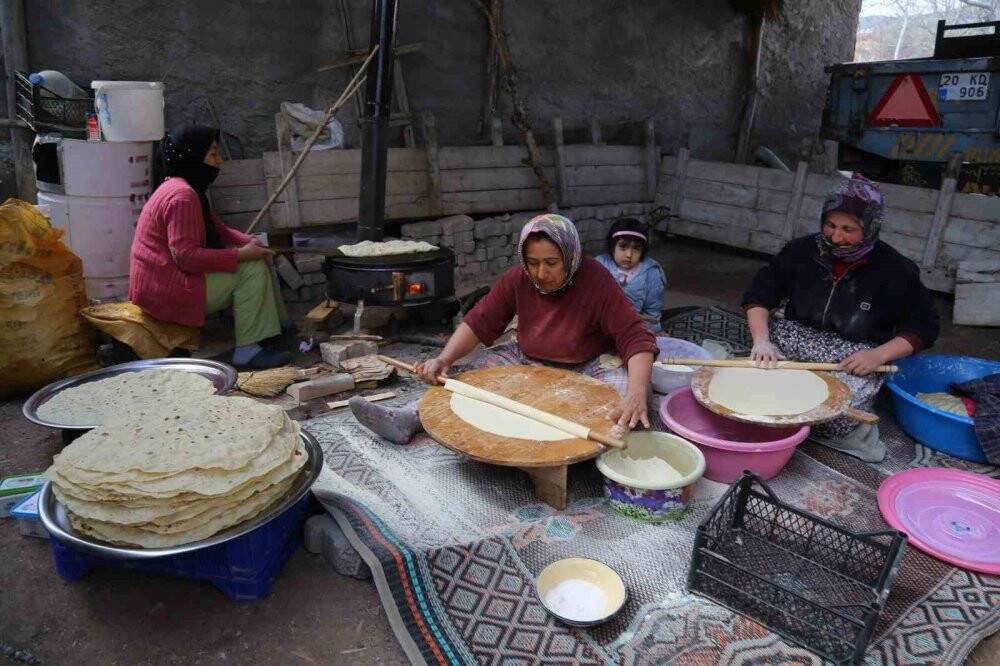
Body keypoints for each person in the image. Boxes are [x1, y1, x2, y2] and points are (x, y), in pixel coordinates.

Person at [350, 213, 659, 444]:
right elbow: (479, 321)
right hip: (526, 357)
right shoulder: (518, 278)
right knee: (462, 380)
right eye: (532, 262)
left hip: (587, 363)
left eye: (552, 262)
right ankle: (407, 418)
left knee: (621, 393)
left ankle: (600, 444)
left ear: (572, 255)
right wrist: (444, 360)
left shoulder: (597, 280)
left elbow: (635, 337)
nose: (540, 272)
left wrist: (637, 392)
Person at [742, 172, 939, 462]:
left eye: (849, 229)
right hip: (795, 339)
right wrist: (761, 341)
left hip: (852, 357)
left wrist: (878, 356)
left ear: (870, 227)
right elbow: (759, 296)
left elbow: (925, 326)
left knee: (835, 413)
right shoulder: (800, 251)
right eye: (830, 225)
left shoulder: (896, 270)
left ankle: (821, 432)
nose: (836, 236)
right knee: (757, 388)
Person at [129, 125, 292, 369]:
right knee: (252, 268)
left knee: (258, 256)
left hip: (164, 279)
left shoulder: (187, 189)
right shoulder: (182, 197)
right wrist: (240, 254)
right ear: (193, 156)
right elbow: (186, 257)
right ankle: (247, 351)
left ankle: (275, 327)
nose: (219, 161)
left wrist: (247, 242)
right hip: (165, 289)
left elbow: (220, 230)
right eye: (213, 154)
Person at [594, 218, 666, 332]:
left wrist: (653, 331)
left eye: (636, 249)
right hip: (598, 324)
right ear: (612, 246)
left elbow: (652, 311)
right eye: (623, 246)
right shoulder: (599, 265)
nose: (629, 254)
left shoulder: (651, 272)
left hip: (632, 326)